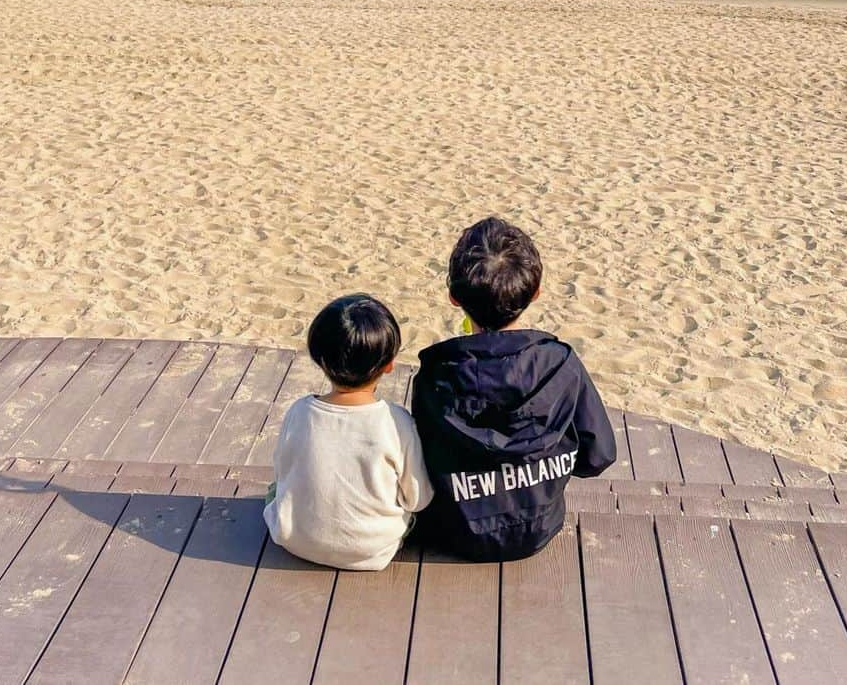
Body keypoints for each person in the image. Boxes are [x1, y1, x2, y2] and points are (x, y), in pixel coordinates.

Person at [411, 217, 616, 563]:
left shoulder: (438, 374)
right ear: (535, 292)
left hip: (456, 530)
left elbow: (420, 461)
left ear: (454, 298)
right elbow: (598, 455)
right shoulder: (560, 364)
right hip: (539, 524)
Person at [263, 294, 433, 571]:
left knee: (273, 491)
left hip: (294, 540)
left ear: (318, 359)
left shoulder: (299, 412)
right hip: (372, 551)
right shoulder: (396, 422)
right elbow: (418, 498)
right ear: (389, 364)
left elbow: (284, 471)